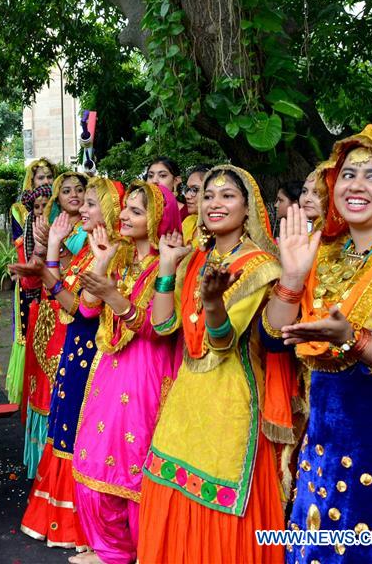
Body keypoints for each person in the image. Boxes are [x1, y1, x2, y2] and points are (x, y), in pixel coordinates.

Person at [263, 125, 372, 563]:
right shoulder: (321, 251)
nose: (357, 185)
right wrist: (291, 280)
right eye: (349, 174)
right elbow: (276, 340)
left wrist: (355, 341)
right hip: (321, 450)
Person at [138, 166, 297, 563]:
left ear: (249, 209)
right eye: (209, 195)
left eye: (228, 196)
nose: (215, 203)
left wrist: (212, 304)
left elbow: (222, 343)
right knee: (170, 486)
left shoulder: (262, 266)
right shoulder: (196, 259)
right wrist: (167, 268)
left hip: (232, 401)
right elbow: (162, 325)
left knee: (217, 503)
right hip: (186, 397)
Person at [70, 182, 181, 564]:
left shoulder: (169, 266)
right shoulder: (119, 258)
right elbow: (86, 312)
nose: (126, 216)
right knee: (94, 456)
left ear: (158, 218)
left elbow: (157, 327)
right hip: (110, 370)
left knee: (133, 463)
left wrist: (115, 297)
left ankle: (142, 550)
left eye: (137, 210)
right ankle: (112, 549)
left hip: (147, 372)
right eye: (127, 208)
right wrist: (100, 263)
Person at [18, 177, 123, 551]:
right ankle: (62, 519)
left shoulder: (110, 252)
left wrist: (50, 261)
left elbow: (77, 307)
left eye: (92, 203)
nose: (83, 208)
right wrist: (50, 260)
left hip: (92, 354)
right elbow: (64, 293)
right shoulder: (89, 250)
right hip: (76, 350)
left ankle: (82, 527)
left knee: (78, 432)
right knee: (65, 426)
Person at [18, 172, 88, 479]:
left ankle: (69, 470)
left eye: (80, 189)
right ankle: (44, 471)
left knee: (69, 387)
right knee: (44, 388)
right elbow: (33, 278)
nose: (73, 195)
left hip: (75, 314)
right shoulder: (50, 226)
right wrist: (43, 245)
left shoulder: (93, 228)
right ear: (57, 198)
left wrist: (57, 243)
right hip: (48, 313)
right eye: (66, 191)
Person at [5, 184, 52, 404]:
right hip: (37, 298)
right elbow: (30, 278)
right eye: (38, 206)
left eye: (47, 205)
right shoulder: (28, 233)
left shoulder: (71, 230)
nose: (42, 210)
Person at [12, 159, 56, 241]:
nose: (46, 181)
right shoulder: (19, 209)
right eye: (41, 178)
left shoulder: (61, 204)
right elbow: (19, 243)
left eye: (49, 177)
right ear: (32, 181)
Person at [145, 156, 186, 220]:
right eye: (150, 176)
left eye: (162, 176)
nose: (154, 181)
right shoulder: (140, 209)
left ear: (176, 181)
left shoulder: (187, 213)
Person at [180, 164, 209, 247]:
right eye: (188, 189)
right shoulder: (188, 222)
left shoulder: (219, 228)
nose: (187, 196)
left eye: (195, 189)